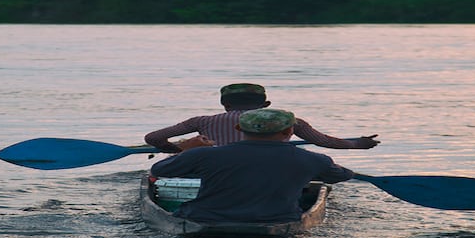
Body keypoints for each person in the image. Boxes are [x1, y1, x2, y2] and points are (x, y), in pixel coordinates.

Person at [149, 108, 355, 224]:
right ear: (288, 132)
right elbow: (340, 176)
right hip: (279, 219)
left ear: (239, 128)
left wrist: (187, 147)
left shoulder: (204, 154)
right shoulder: (314, 160)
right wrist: (346, 171)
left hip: (204, 218)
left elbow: (159, 170)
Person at [144, 83, 380, 153]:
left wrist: (174, 150)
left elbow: (153, 137)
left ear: (224, 105)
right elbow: (325, 142)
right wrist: (359, 144)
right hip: (275, 169)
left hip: (213, 171)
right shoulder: (289, 121)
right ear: (266, 105)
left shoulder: (201, 121)